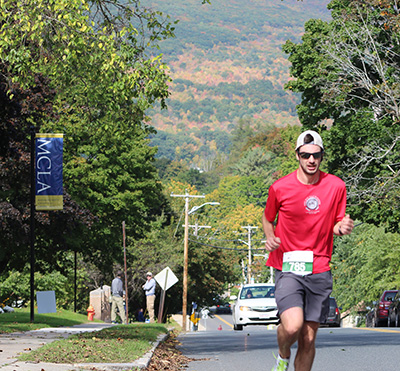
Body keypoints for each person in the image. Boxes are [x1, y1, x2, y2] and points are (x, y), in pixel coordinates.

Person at [262, 130, 354, 371]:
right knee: (292, 326)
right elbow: (267, 218)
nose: (311, 160)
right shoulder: (280, 188)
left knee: (309, 338)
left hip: (319, 266)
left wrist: (342, 227)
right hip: (287, 266)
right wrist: (270, 237)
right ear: (297, 156)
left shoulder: (336, 186)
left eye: (316, 155)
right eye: (305, 155)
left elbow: (336, 223)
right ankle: (283, 356)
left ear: (322, 156)